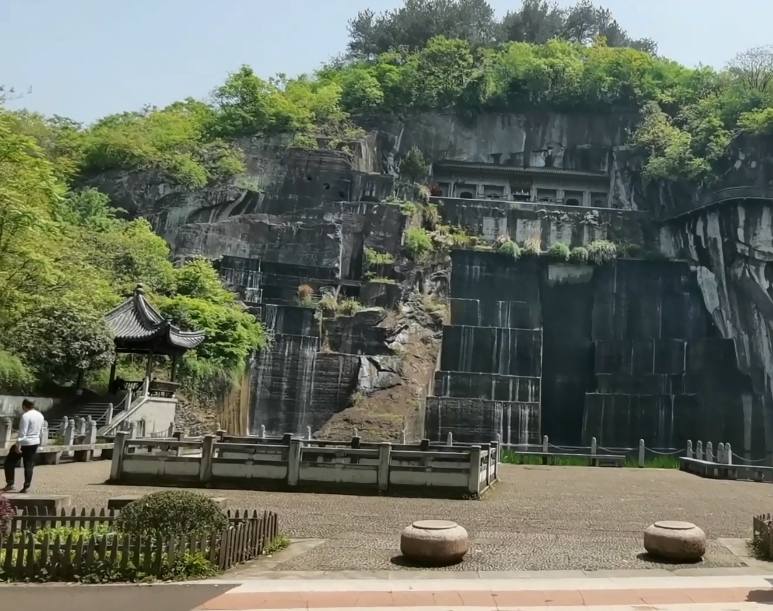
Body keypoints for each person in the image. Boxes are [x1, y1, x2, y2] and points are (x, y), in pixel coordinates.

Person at [2, 399, 44, 493]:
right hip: (34, 442)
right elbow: (41, 431)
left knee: (9, 462)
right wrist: (39, 443)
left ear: (24, 406)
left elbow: (23, 433)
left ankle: (10, 483)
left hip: (24, 442)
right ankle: (26, 486)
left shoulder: (25, 416)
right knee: (29, 464)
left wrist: (17, 445)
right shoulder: (40, 415)